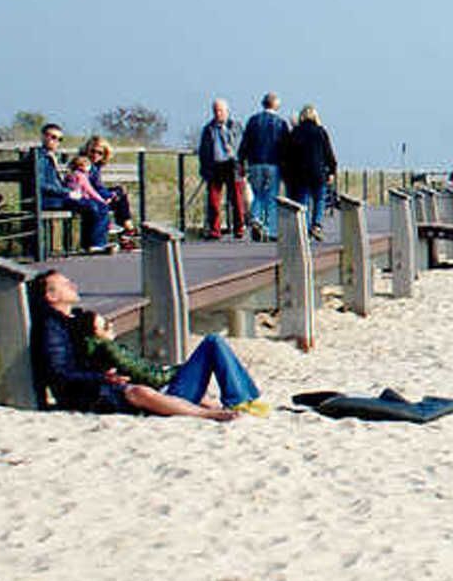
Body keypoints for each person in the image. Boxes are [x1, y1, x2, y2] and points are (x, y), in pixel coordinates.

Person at [27, 269, 251, 419]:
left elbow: (100, 355)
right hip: (91, 392)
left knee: (213, 342)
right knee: (140, 391)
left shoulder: (75, 319)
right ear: (51, 296)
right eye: (65, 285)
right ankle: (210, 414)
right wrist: (102, 377)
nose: (73, 286)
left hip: (109, 383)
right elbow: (58, 372)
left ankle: (241, 400)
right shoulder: (51, 328)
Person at [35, 121, 110, 254]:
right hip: (50, 199)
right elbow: (40, 184)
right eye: (52, 137)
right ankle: (94, 244)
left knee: (98, 205)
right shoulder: (40, 158)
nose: (55, 141)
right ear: (43, 137)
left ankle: (95, 244)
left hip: (60, 196)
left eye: (59, 139)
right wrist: (68, 192)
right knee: (91, 206)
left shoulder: (52, 156)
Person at [281, 103, 339, 241]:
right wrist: (332, 170)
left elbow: (289, 155)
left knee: (303, 201)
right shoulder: (320, 131)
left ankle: (305, 228)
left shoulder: (295, 132)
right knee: (319, 199)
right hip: (318, 172)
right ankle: (316, 225)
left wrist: (288, 174)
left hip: (301, 174)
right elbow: (328, 152)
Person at [239, 93, 290, 242]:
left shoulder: (253, 121)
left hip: (255, 163)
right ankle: (271, 229)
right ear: (276, 105)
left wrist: (241, 161)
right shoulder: (280, 123)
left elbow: (245, 143)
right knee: (271, 196)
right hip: (273, 163)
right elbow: (285, 147)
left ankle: (255, 217)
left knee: (257, 193)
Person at [197, 98, 247, 240]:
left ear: (227, 111)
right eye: (216, 111)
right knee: (213, 200)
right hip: (215, 165)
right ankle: (215, 229)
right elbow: (204, 150)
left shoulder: (235, 126)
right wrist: (204, 168)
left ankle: (239, 227)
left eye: (220, 111)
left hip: (232, 165)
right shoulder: (208, 129)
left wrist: (242, 164)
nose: (218, 114)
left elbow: (241, 145)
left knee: (236, 199)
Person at [79, 136, 136, 238]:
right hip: (86, 197)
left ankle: (126, 230)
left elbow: (97, 187)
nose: (95, 155)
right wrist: (108, 195)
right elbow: (90, 188)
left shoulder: (95, 166)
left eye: (100, 153)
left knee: (119, 193)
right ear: (87, 150)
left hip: (94, 195)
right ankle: (128, 229)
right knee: (119, 196)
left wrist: (111, 194)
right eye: (93, 151)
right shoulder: (84, 165)